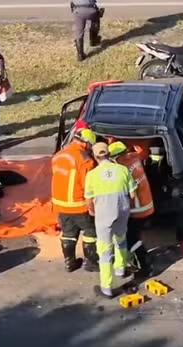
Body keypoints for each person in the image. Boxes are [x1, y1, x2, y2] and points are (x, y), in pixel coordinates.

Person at [84, 141, 137, 298]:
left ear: (95, 157)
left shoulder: (92, 175)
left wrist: (92, 211)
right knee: (121, 239)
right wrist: (127, 207)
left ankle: (106, 287)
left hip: (104, 215)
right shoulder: (123, 170)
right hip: (122, 211)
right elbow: (132, 194)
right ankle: (120, 269)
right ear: (109, 154)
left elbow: (88, 199)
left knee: (105, 251)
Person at [51, 126, 100, 273]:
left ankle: (69, 263)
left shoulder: (58, 155)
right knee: (90, 233)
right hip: (79, 205)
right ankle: (91, 263)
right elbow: (89, 186)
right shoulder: (85, 160)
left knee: (68, 234)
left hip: (60, 205)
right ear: (86, 143)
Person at [108, 141, 155, 277]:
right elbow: (142, 152)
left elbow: (123, 192)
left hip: (137, 209)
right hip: (147, 205)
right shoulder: (134, 157)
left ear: (116, 157)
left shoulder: (122, 169)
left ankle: (145, 266)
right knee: (133, 235)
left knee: (131, 239)